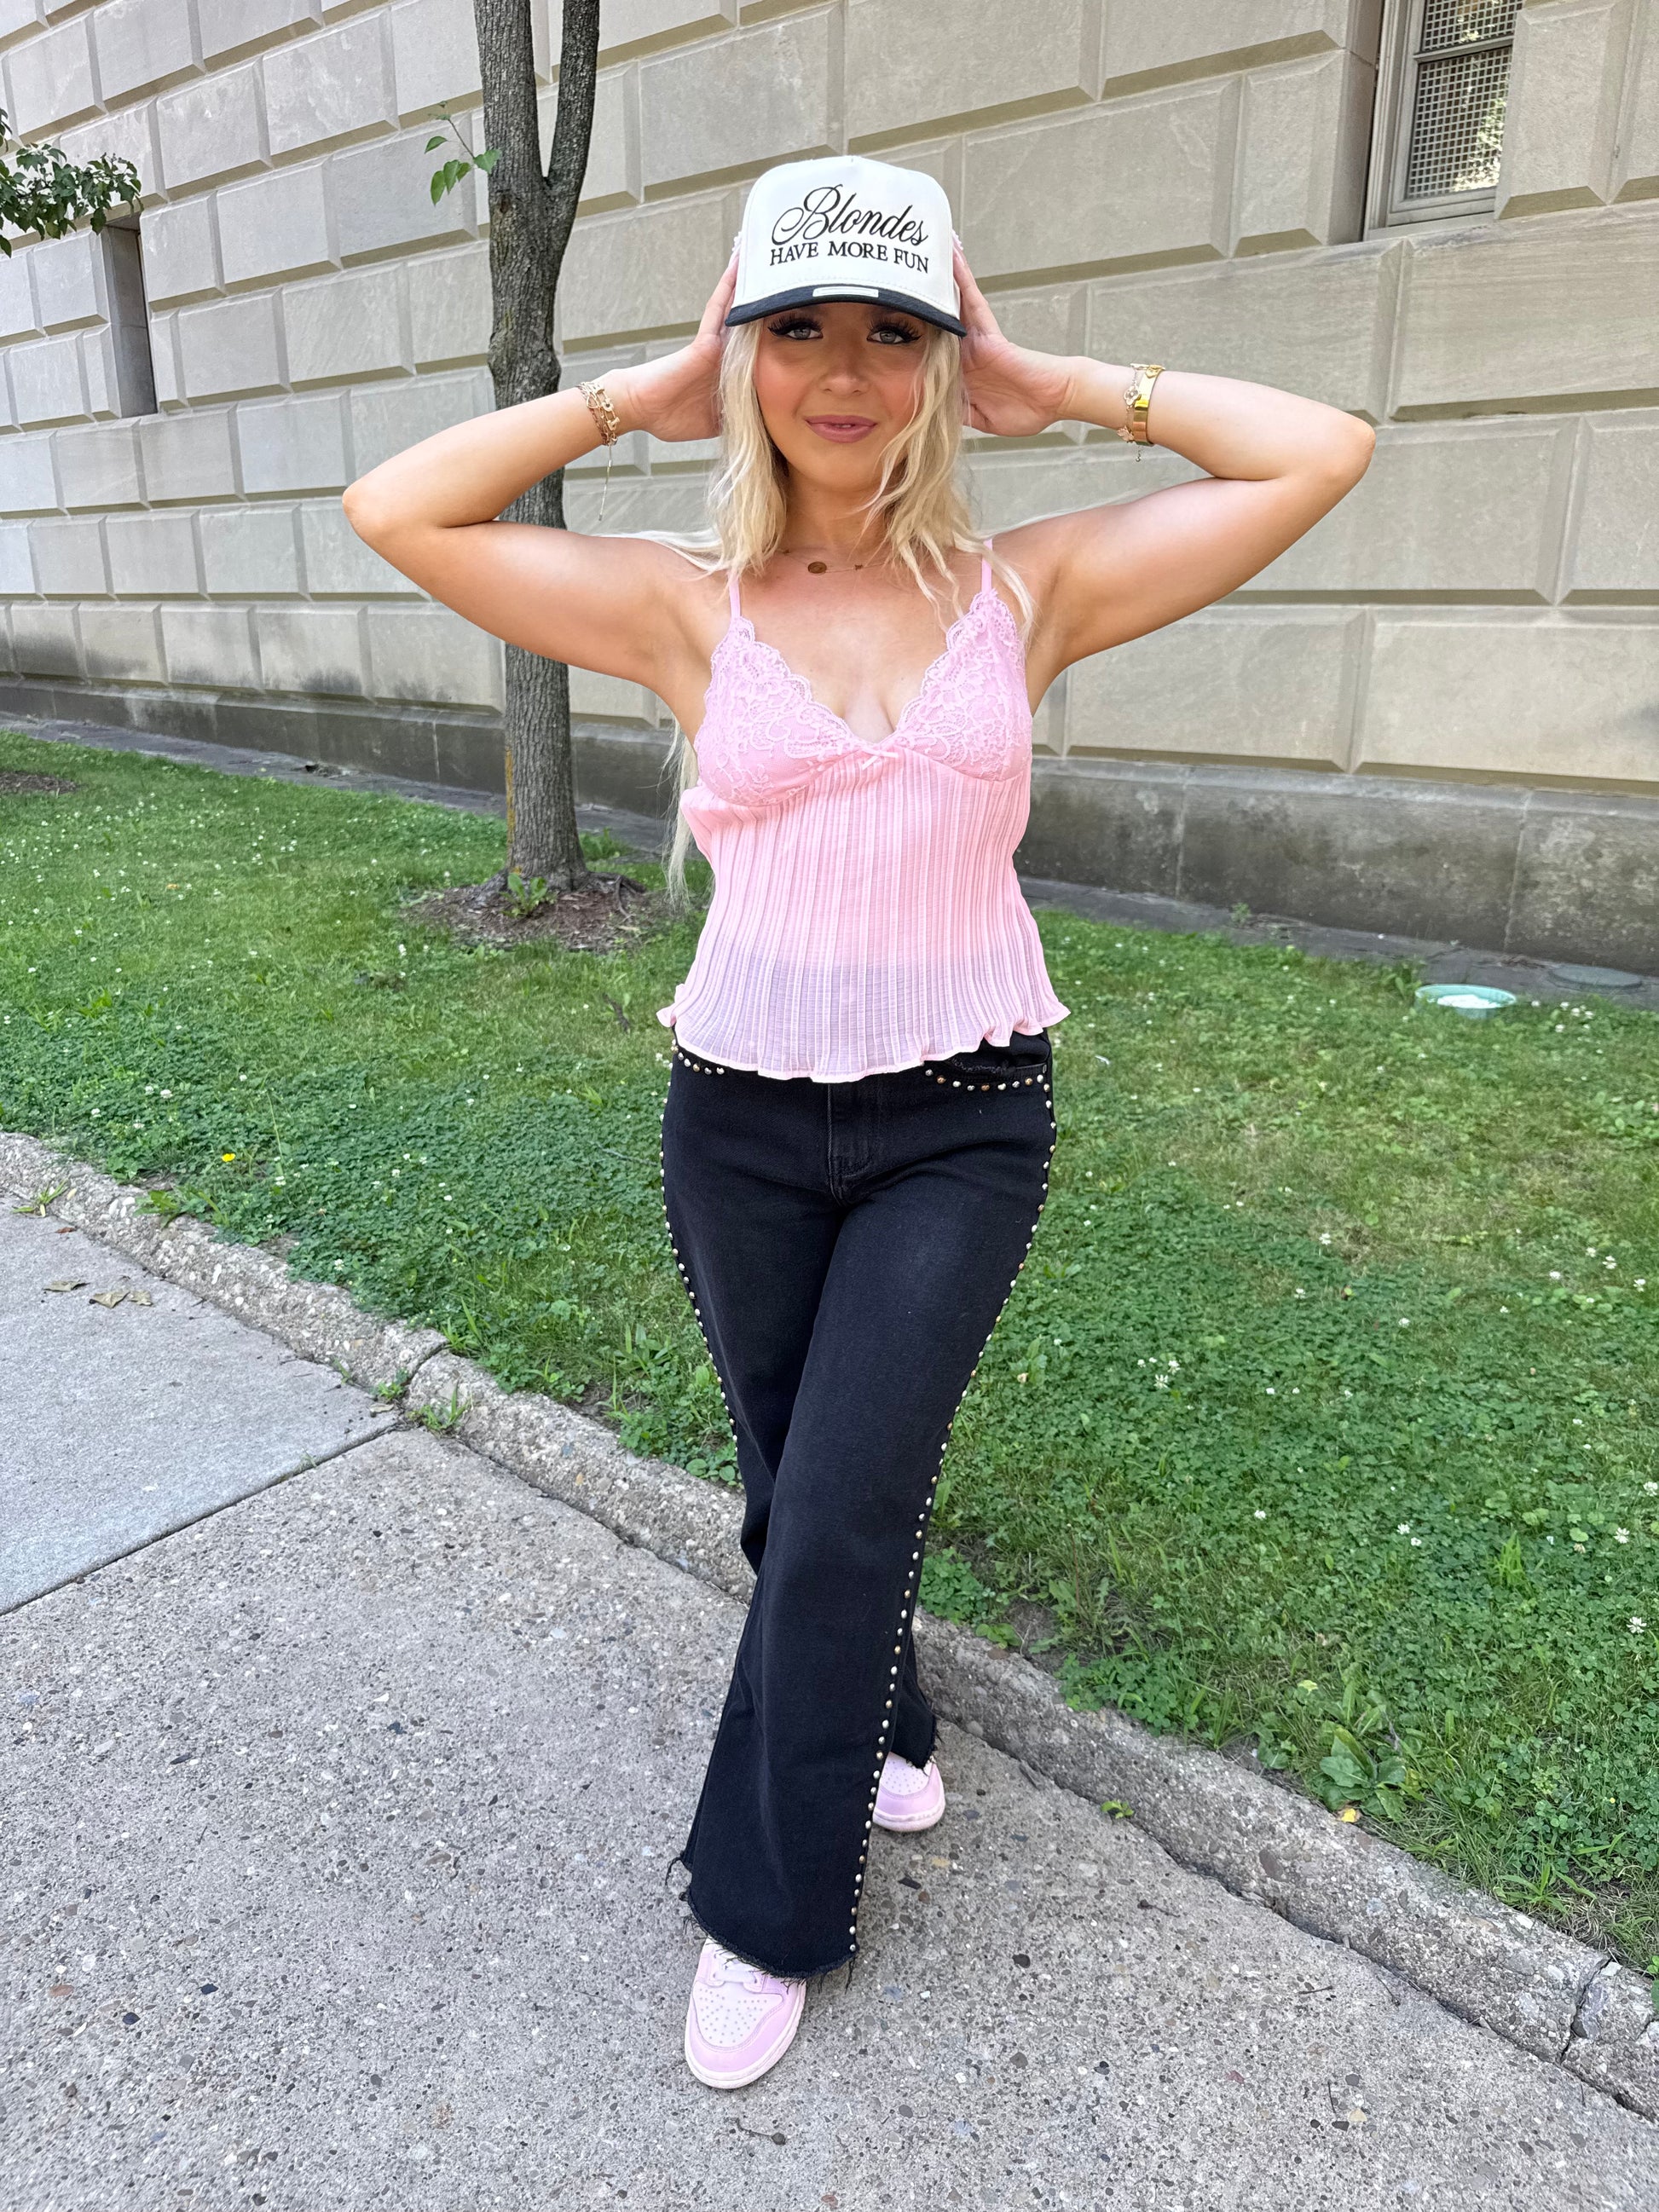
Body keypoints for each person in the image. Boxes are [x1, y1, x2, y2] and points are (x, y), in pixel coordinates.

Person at [343, 153, 1374, 2092]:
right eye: (796, 328)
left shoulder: (1027, 588)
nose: (841, 371)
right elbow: (395, 506)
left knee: (837, 1506)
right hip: (739, 1117)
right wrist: (631, 398)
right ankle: (881, 1715)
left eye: (891, 332)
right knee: (788, 1481)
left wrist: (1055, 381)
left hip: (958, 1122)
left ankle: (766, 1902)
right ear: (744, 356)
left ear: (937, 360)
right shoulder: (684, 608)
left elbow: (1321, 449)